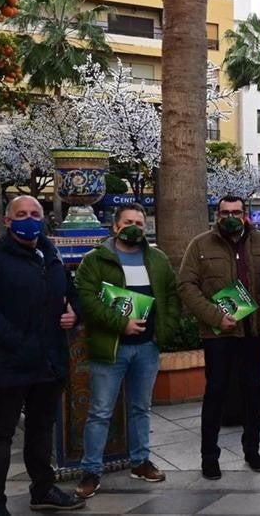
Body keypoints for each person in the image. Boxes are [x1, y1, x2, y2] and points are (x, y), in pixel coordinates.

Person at [0, 196, 82, 515]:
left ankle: (42, 488)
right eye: (22, 214)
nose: (29, 220)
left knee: (41, 430)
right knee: (1, 433)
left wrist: (75, 313)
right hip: (11, 363)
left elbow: (70, 294)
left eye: (35, 214)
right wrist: (20, 342)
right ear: (7, 221)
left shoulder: (51, 253)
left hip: (49, 363)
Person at [73, 205, 180, 498]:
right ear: (115, 226)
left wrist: (165, 331)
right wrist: (121, 324)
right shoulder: (95, 260)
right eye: (128, 222)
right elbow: (87, 300)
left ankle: (140, 461)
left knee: (141, 408)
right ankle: (91, 471)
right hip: (111, 348)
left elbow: (170, 295)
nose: (134, 227)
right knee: (100, 412)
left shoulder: (157, 259)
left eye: (139, 222)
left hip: (147, 348)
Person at [177, 195, 260, 480]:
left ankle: (252, 449)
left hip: (254, 331)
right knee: (216, 392)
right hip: (218, 333)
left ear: (246, 215)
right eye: (225, 212)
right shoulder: (200, 245)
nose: (231, 216)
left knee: (253, 391)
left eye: (237, 212)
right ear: (217, 216)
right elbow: (186, 285)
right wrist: (214, 316)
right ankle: (209, 455)